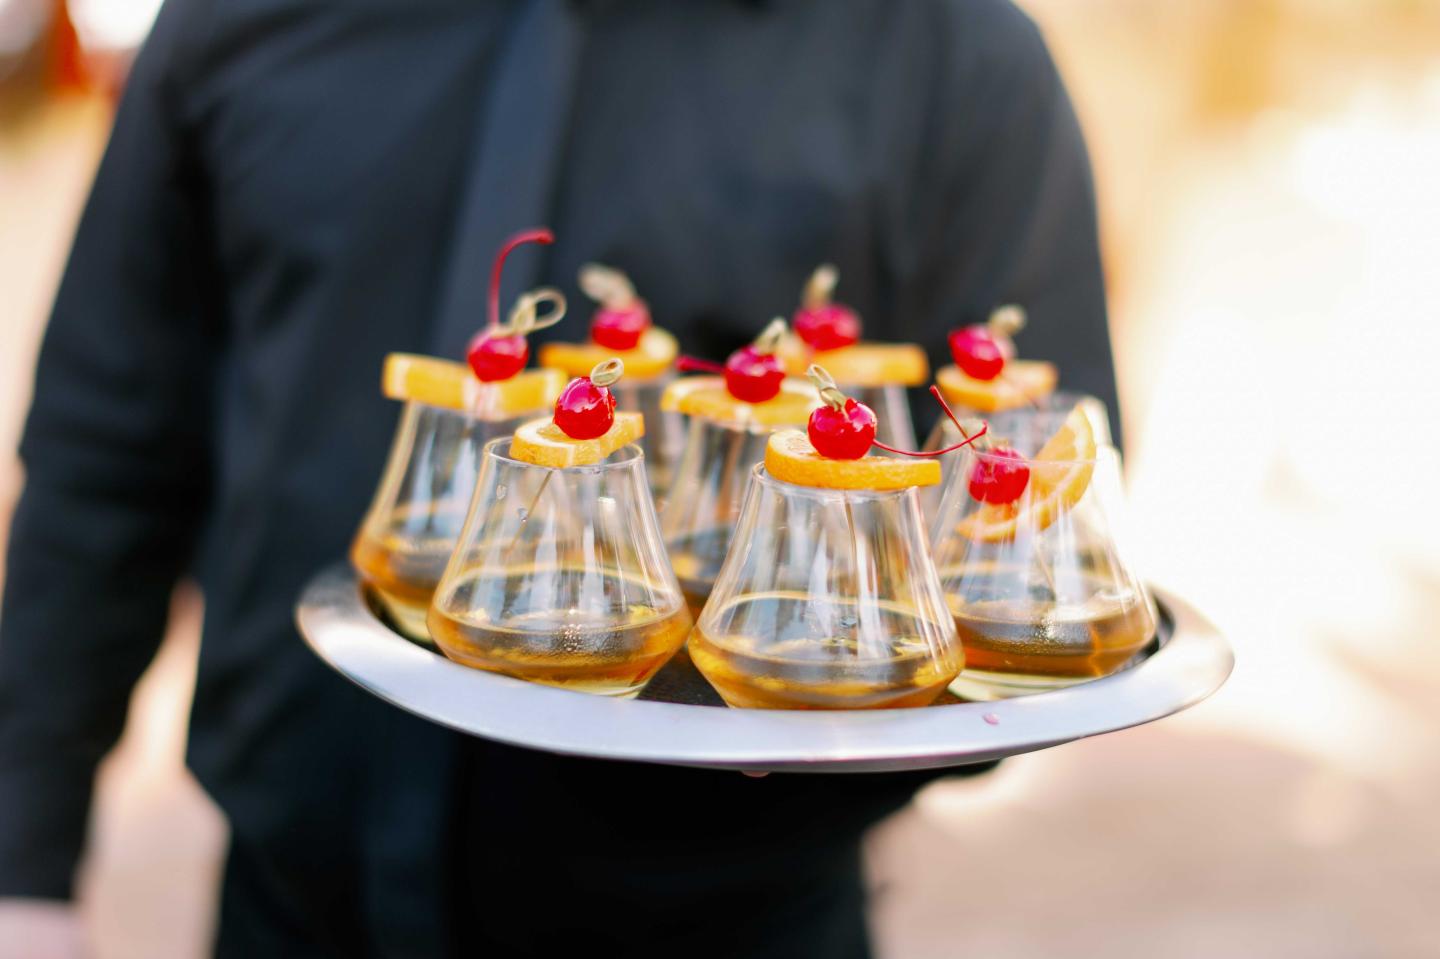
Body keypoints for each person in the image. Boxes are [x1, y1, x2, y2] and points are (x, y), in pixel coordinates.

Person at [0, 0, 1117, 956]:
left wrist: (838, 728)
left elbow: (1030, 515)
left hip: (729, 920)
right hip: (289, 901)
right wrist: (23, 857)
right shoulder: (243, 18)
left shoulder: (947, 52)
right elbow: (110, 443)